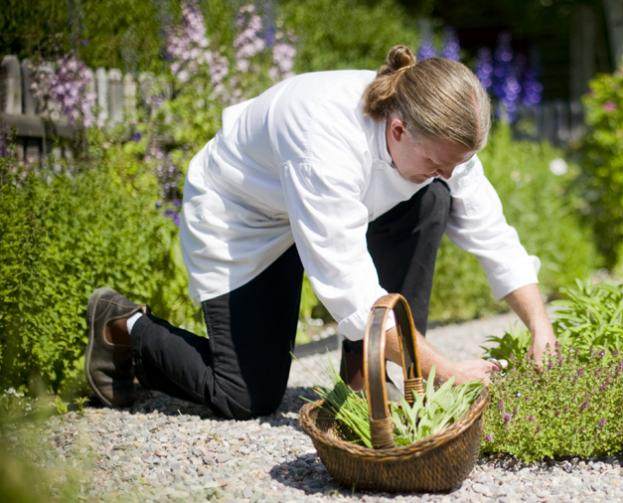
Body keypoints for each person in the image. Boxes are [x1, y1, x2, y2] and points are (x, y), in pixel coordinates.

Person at [84, 45, 556, 420]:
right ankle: (122, 326)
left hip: (321, 205)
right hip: (243, 216)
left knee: (433, 197)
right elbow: (350, 290)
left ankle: (365, 375)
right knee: (243, 396)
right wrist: (448, 371)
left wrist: (540, 325)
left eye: (455, 164)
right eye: (436, 162)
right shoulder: (323, 139)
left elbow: (491, 231)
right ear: (397, 129)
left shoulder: (439, 144)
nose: (447, 171)